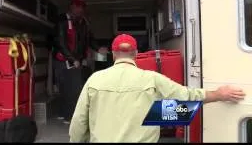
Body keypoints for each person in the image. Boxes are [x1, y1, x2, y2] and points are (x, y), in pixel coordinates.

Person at [69, 34, 246, 143]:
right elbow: (187, 96)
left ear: (113, 54)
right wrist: (219, 94)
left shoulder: (95, 79)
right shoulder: (152, 79)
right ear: (136, 53)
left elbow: (79, 121)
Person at [52, 0, 108, 124]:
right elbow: (60, 42)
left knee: (74, 88)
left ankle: (67, 115)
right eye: (77, 6)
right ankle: (66, 115)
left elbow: (89, 39)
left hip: (76, 61)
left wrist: (98, 48)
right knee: (65, 88)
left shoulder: (84, 23)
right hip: (62, 60)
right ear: (71, 6)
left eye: (82, 7)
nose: (79, 9)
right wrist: (72, 59)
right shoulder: (62, 20)